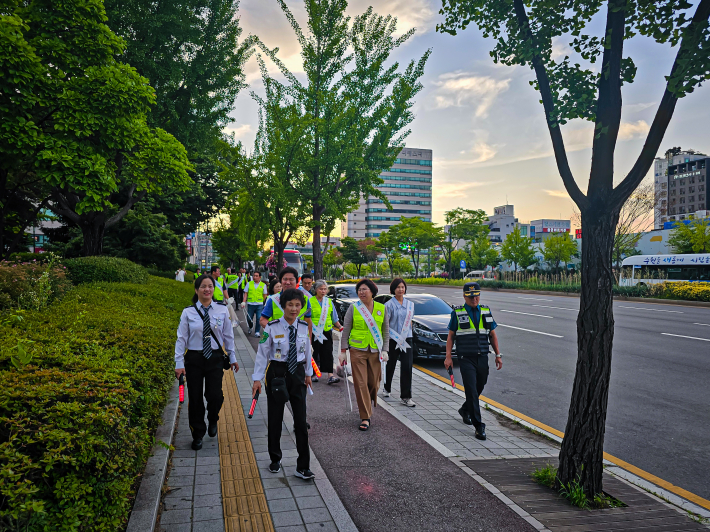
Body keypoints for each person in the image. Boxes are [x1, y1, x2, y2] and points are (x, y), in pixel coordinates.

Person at [252, 288, 314, 480]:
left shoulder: (304, 327)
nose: (294, 309)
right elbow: (262, 354)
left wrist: (309, 374)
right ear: (283, 306)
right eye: (290, 305)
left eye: (297, 305)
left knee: (301, 421)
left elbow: (308, 351)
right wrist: (257, 378)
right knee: (275, 419)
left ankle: (303, 466)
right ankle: (275, 458)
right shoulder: (271, 327)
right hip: (277, 373)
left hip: (298, 373)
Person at [175, 274, 240, 450]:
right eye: (203, 286)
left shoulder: (221, 310)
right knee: (195, 398)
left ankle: (213, 418)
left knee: (215, 395)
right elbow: (181, 339)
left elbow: (228, 336)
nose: (207, 289)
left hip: (215, 358)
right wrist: (178, 363)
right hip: (194, 358)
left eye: (210, 286)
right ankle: (197, 433)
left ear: (214, 289)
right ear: (197, 290)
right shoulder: (188, 312)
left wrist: (232, 357)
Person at [445, 282, 502, 441]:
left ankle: (465, 410)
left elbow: (492, 334)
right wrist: (448, 357)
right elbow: (451, 336)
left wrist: (498, 354)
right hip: (466, 358)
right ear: (464, 296)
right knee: (471, 389)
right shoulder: (457, 313)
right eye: (470, 296)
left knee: (480, 385)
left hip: (482, 356)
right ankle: (479, 426)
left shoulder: (485, 310)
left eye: (476, 295)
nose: (474, 299)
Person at [339, 279, 389, 431]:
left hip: (375, 350)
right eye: (359, 289)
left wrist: (385, 349)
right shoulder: (354, 308)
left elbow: (385, 331)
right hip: (357, 350)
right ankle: (365, 416)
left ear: (372, 291)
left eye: (364, 289)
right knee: (361, 383)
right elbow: (346, 329)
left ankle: (368, 403)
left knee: (373, 383)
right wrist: (342, 351)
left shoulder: (382, 308)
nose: (361, 292)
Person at [383, 278, 415, 407]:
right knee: (390, 365)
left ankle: (406, 396)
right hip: (392, 339)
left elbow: (410, 321)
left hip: (406, 339)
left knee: (407, 366)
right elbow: (385, 324)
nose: (401, 289)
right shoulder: (389, 305)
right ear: (393, 289)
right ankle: (387, 387)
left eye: (402, 287)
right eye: (398, 287)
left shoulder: (410, 304)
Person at [260, 267, 312, 334]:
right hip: (278, 340)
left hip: (299, 339)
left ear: (297, 281)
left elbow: (308, 322)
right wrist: (274, 331)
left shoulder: (304, 298)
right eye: (285, 279)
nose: (287, 282)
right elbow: (263, 320)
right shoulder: (273, 299)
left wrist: (309, 342)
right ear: (281, 281)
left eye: (291, 279)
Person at [309, 280, 342, 384]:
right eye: (320, 289)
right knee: (314, 352)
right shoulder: (310, 301)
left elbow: (334, 317)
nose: (323, 291)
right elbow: (307, 317)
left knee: (328, 353)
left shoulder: (329, 302)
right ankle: (313, 374)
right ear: (315, 290)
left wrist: (340, 327)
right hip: (314, 331)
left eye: (325, 289)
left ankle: (330, 375)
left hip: (327, 331)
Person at [243, 271, 267, 337]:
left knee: (259, 318)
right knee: (249, 318)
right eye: (254, 276)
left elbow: (265, 295)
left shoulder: (263, 285)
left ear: (260, 277)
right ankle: (250, 327)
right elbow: (246, 293)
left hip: (259, 304)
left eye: (256, 276)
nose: (255, 277)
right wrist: (243, 302)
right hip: (250, 304)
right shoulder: (249, 284)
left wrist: (264, 304)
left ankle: (257, 332)